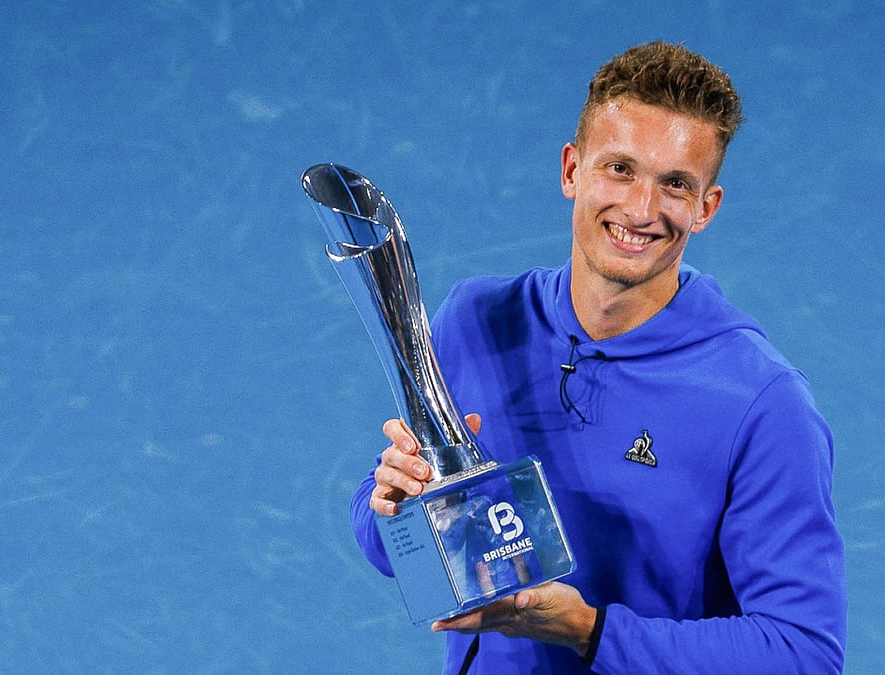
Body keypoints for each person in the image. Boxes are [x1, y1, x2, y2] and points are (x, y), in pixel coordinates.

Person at [351, 41, 847, 673]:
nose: (641, 210)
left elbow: (803, 654)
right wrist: (393, 504)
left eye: (674, 184)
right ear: (571, 170)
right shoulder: (473, 322)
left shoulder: (761, 404)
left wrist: (589, 631)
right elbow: (392, 547)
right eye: (620, 168)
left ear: (705, 208)